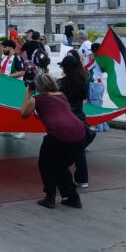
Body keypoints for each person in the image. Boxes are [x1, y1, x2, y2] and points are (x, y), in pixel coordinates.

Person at [20, 73, 85, 210]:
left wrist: (28, 93)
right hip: (79, 134)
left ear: (38, 86)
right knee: (61, 166)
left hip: (58, 135)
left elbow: (23, 114)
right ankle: (73, 198)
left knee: (46, 165)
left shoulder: (37, 100)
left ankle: (50, 198)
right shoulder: (61, 95)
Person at [57, 55, 90, 188]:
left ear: (65, 69)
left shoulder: (61, 83)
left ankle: (61, 179)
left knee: (60, 151)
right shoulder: (83, 81)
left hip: (65, 119)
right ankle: (83, 179)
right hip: (79, 119)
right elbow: (84, 97)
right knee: (79, 151)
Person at [0, 40, 26, 140]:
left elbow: (22, 72)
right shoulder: (3, 58)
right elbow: (1, 70)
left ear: (10, 47)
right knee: (5, 108)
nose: (2, 49)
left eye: (4, 47)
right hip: (5, 88)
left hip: (15, 87)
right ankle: (7, 129)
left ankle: (21, 130)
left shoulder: (17, 58)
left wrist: (8, 76)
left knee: (16, 109)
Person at [86, 43, 109, 132]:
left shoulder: (95, 60)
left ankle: (98, 127)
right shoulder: (103, 59)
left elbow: (86, 68)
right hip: (100, 84)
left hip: (94, 84)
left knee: (95, 106)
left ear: (93, 51)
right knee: (99, 106)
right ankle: (104, 126)